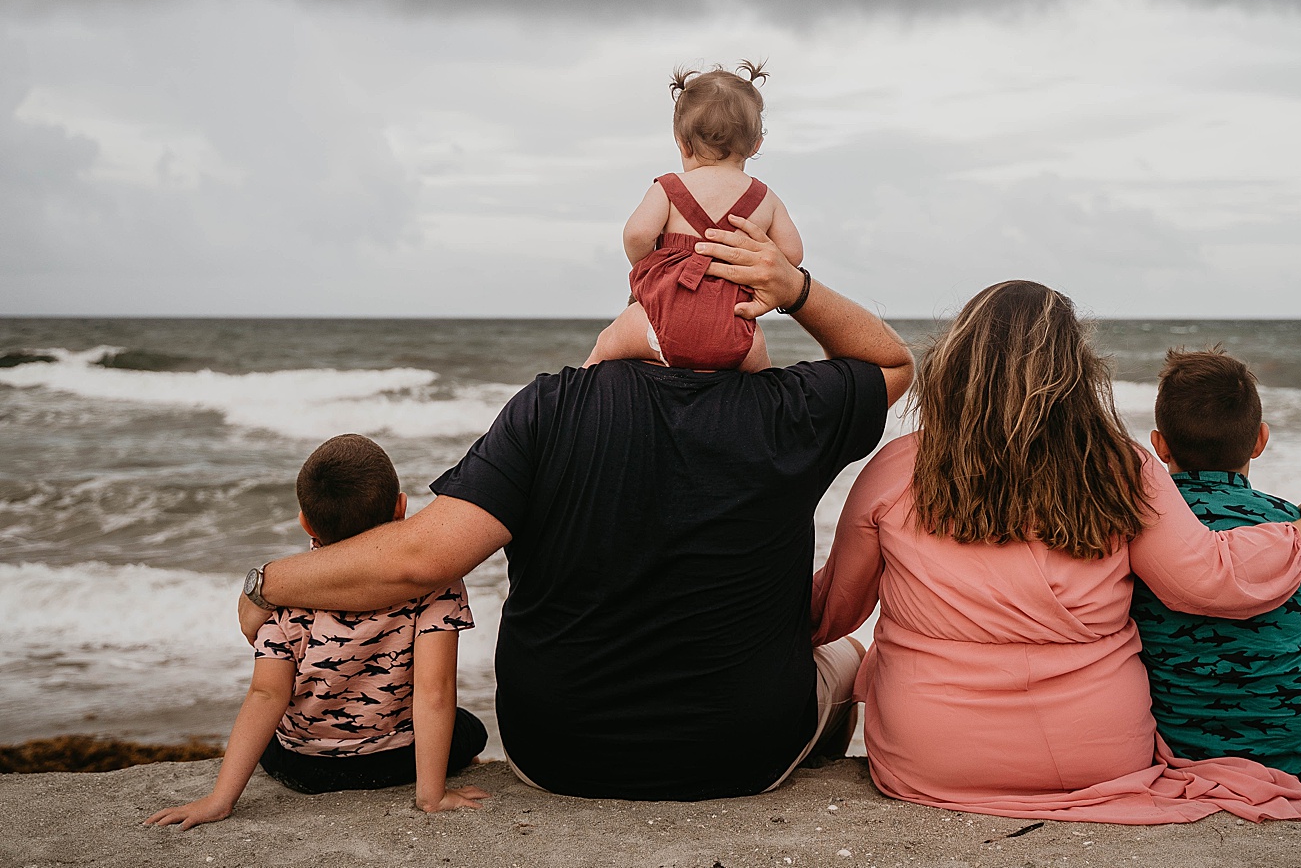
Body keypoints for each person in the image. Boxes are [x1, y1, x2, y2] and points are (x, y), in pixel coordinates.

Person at [237, 225, 913, 801]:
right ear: (746, 312)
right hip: (743, 756)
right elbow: (890, 361)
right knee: (849, 655)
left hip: (556, 751)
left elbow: (420, 559)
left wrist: (266, 583)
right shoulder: (791, 409)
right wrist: (795, 287)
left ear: (637, 303)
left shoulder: (551, 406)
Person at [810, 281, 1301, 824]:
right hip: (1099, 755)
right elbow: (1209, 579)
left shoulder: (899, 466)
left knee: (850, 657)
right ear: (1075, 371)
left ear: (957, 362)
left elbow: (833, 611)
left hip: (932, 756)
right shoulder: (1121, 466)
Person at [147, 435, 488, 830]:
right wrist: (433, 796)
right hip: (392, 760)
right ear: (401, 508)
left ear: (305, 521)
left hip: (301, 768)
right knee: (470, 730)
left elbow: (266, 695)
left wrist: (220, 800)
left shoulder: (287, 591)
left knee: (272, 737)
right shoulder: (435, 583)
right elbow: (435, 691)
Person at [1131, 347, 1301, 785]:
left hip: (1168, 753)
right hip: (1294, 757)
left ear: (1159, 445)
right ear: (1260, 439)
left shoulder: (1135, 532)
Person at [585, 60, 804, 373]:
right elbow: (792, 255)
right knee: (765, 384)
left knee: (605, 346)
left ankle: (569, 405)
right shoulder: (765, 198)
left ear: (682, 143)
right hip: (736, 328)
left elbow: (636, 234)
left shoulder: (670, 187)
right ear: (756, 145)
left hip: (660, 323)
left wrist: (648, 267)